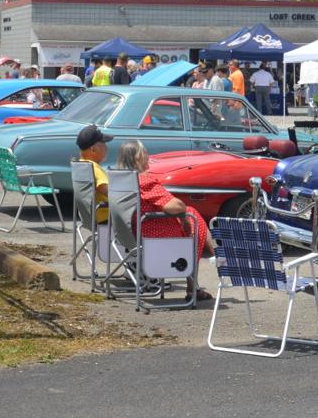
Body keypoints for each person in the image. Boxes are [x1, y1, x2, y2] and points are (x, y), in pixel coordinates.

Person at [116, 140, 214, 300]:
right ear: (137, 159)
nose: (148, 157)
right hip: (154, 234)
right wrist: (183, 218)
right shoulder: (142, 180)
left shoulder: (122, 180)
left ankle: (215, 259)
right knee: (193, 217)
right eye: (145, 153)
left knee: (191, 213)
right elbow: (176, 206)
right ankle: (202, 277)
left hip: (132, 231)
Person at [76, 124, 113, 225]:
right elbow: (107, 191)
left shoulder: (81, 165)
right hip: (106, 218)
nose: (107, 148)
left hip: (90, 218)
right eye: (104, 144)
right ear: (93, 150)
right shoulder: (94, 168)